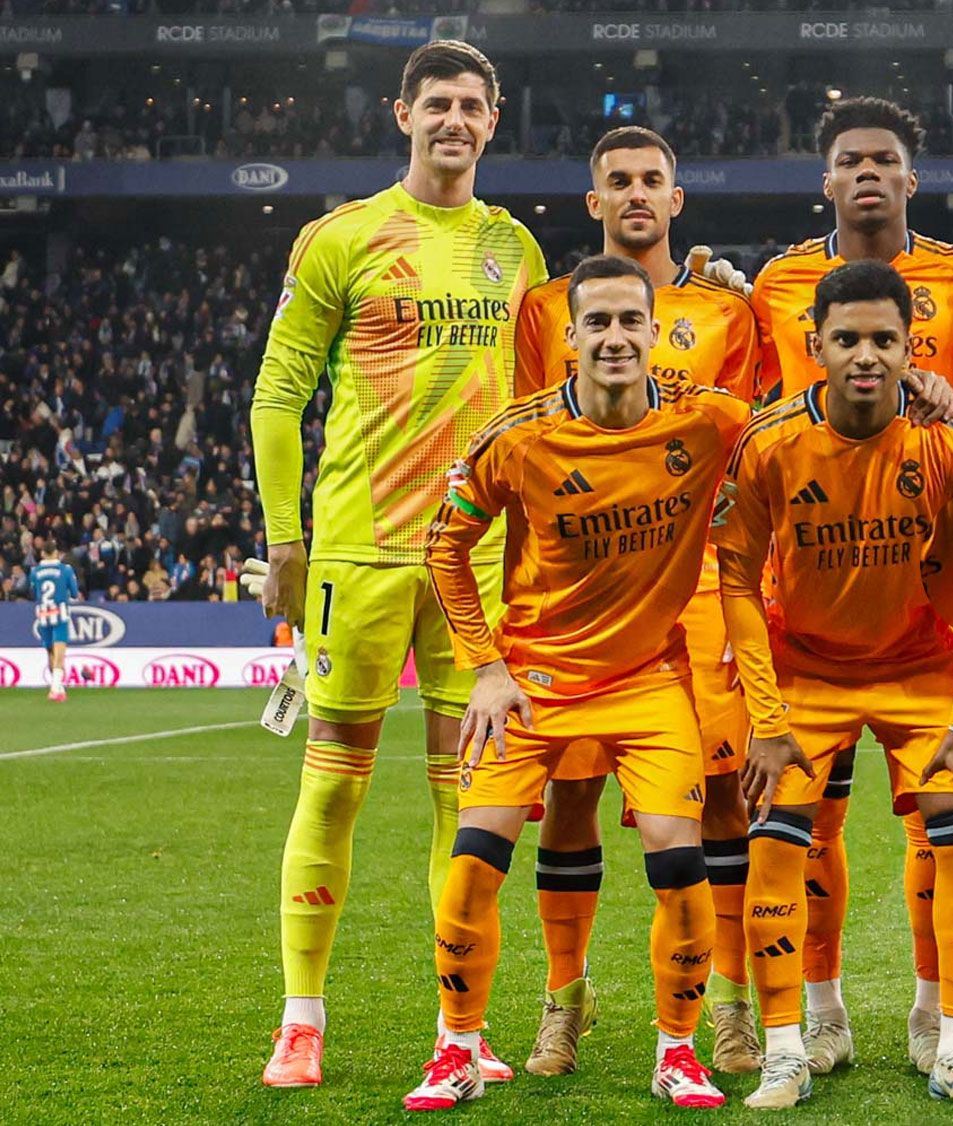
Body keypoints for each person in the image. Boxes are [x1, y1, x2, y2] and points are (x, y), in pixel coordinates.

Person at [250, 39, 546, 1089]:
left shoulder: (516, 249)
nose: (454, 120)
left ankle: (457, 1027)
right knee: (332, 789)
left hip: (481, 563)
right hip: (360, 552)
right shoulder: (342, 237)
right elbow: (277, 394)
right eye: (438, 104)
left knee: (464, 806)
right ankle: (301, 1020)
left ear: (492, 120)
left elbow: (533, 413)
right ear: (402, 114)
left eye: (473, 104)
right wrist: (284, 541)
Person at [414, 253, 748, 1112]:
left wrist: (921, 397)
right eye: (595, 323)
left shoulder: (708, 423)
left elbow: (814, 424)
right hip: (531, 682)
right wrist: (485, 665)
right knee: (474, 863)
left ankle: (678, 1051)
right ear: (570, 338)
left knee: (679, 865)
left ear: (653, 332)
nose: (612, 338)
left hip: (647, 683)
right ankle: (458, 1049)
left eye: (628, 321)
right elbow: (445, 546)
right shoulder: (520, 437)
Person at [713, 260, 953, 1109]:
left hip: (924, 671)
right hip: (806, 673)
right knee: (779, 843)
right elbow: (737, 584)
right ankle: (789, 1046)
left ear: (910, 347)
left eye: (884, 339)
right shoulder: (770, 442)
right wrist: (766, 714)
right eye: (847, 338)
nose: (866, 354)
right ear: (814, 344)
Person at [746, 96, 953, 1074]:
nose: (867, 173)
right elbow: (745, 415)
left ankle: (935, 1011)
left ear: (911, 177)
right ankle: (819, 1010)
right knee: (806, 828)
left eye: (885, 159)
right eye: (849, 159)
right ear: (827, 179)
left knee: (934, 821)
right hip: (806, 598)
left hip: (928, 611)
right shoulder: (776, 284)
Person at [508, 124, 762, 1078]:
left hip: (695, 589)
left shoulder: (725, 310)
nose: (637, 194)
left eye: (653, 179)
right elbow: (534, 446)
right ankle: (562, 1002)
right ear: (594, 201)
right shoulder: (543, 310)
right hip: (576, 599)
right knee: (570, 793)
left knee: (722, 798)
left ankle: (728, 1007)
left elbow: (752, 456)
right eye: (619, 181)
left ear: (677, 198)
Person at [30, 543, 80, 702]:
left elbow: (33, 592)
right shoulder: (65, 570)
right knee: (60, 652)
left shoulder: (35, 571)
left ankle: (59, 688)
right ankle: (54, 689)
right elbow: (74, 593)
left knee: (50, 652)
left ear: (43, 553)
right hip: (60, 613)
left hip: (43, 614)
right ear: (57, 553)